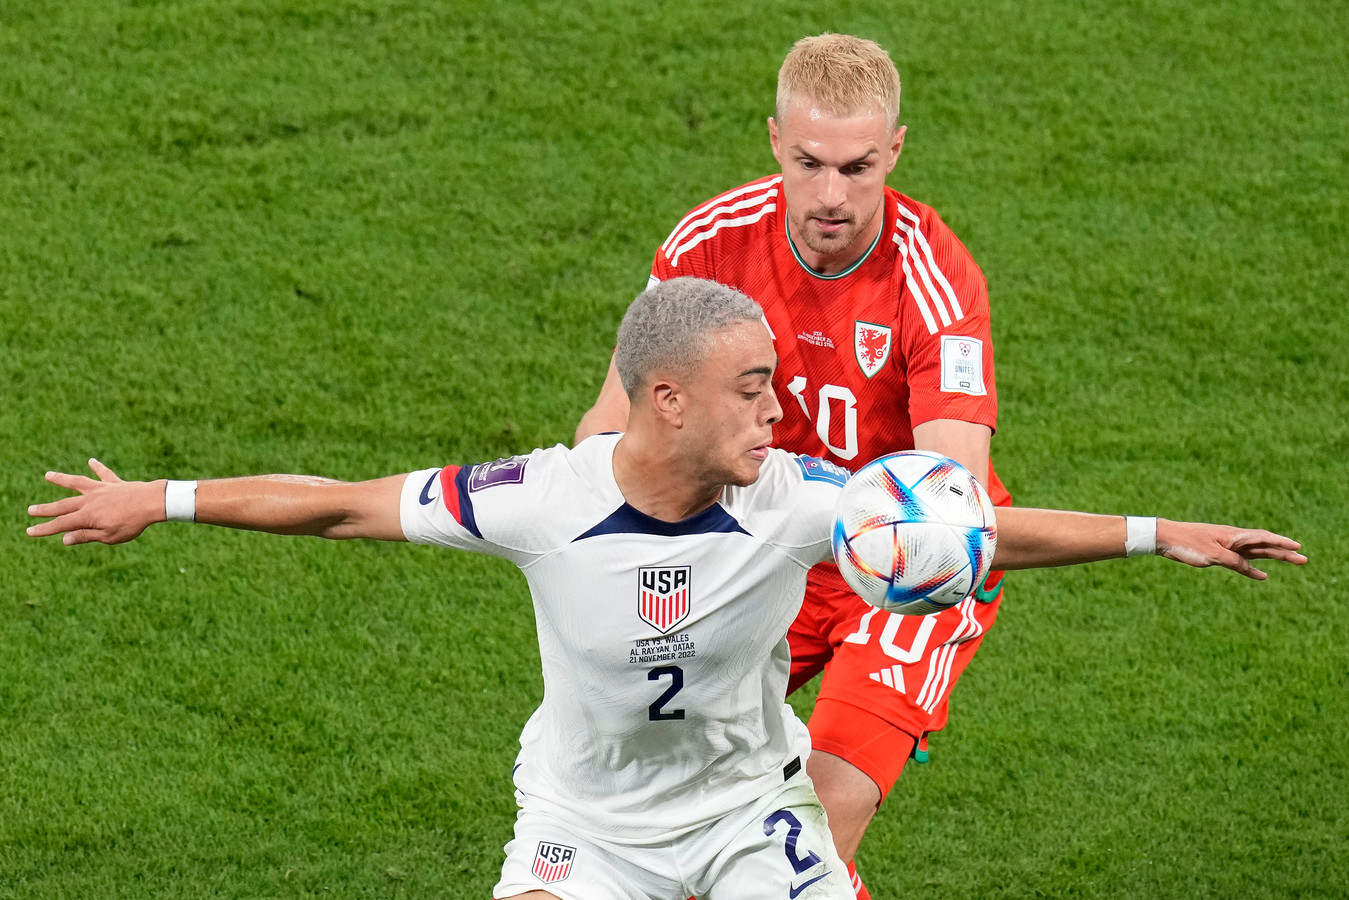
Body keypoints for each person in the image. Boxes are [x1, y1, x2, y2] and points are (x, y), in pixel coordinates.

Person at [29, 279, 1304, 900]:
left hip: (753, 810)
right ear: (665, 399)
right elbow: (342, 502)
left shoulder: (794, 497)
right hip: (584, 828)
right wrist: (161, 497)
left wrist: (1158, 532)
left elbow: (986, 534)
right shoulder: (538, 497)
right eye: (751, 385)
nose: (780, 403)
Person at [575, 33, 1141, 897]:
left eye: (857, 167)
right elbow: (611, 426)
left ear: (895, 151)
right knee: (658, 815)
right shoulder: (707, 246)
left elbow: (947, 503)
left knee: (816, 829)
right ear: (773, 141)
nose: (830, 195)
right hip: (767, 547)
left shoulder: (933, 279)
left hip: (902, 572)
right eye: (808, 163)